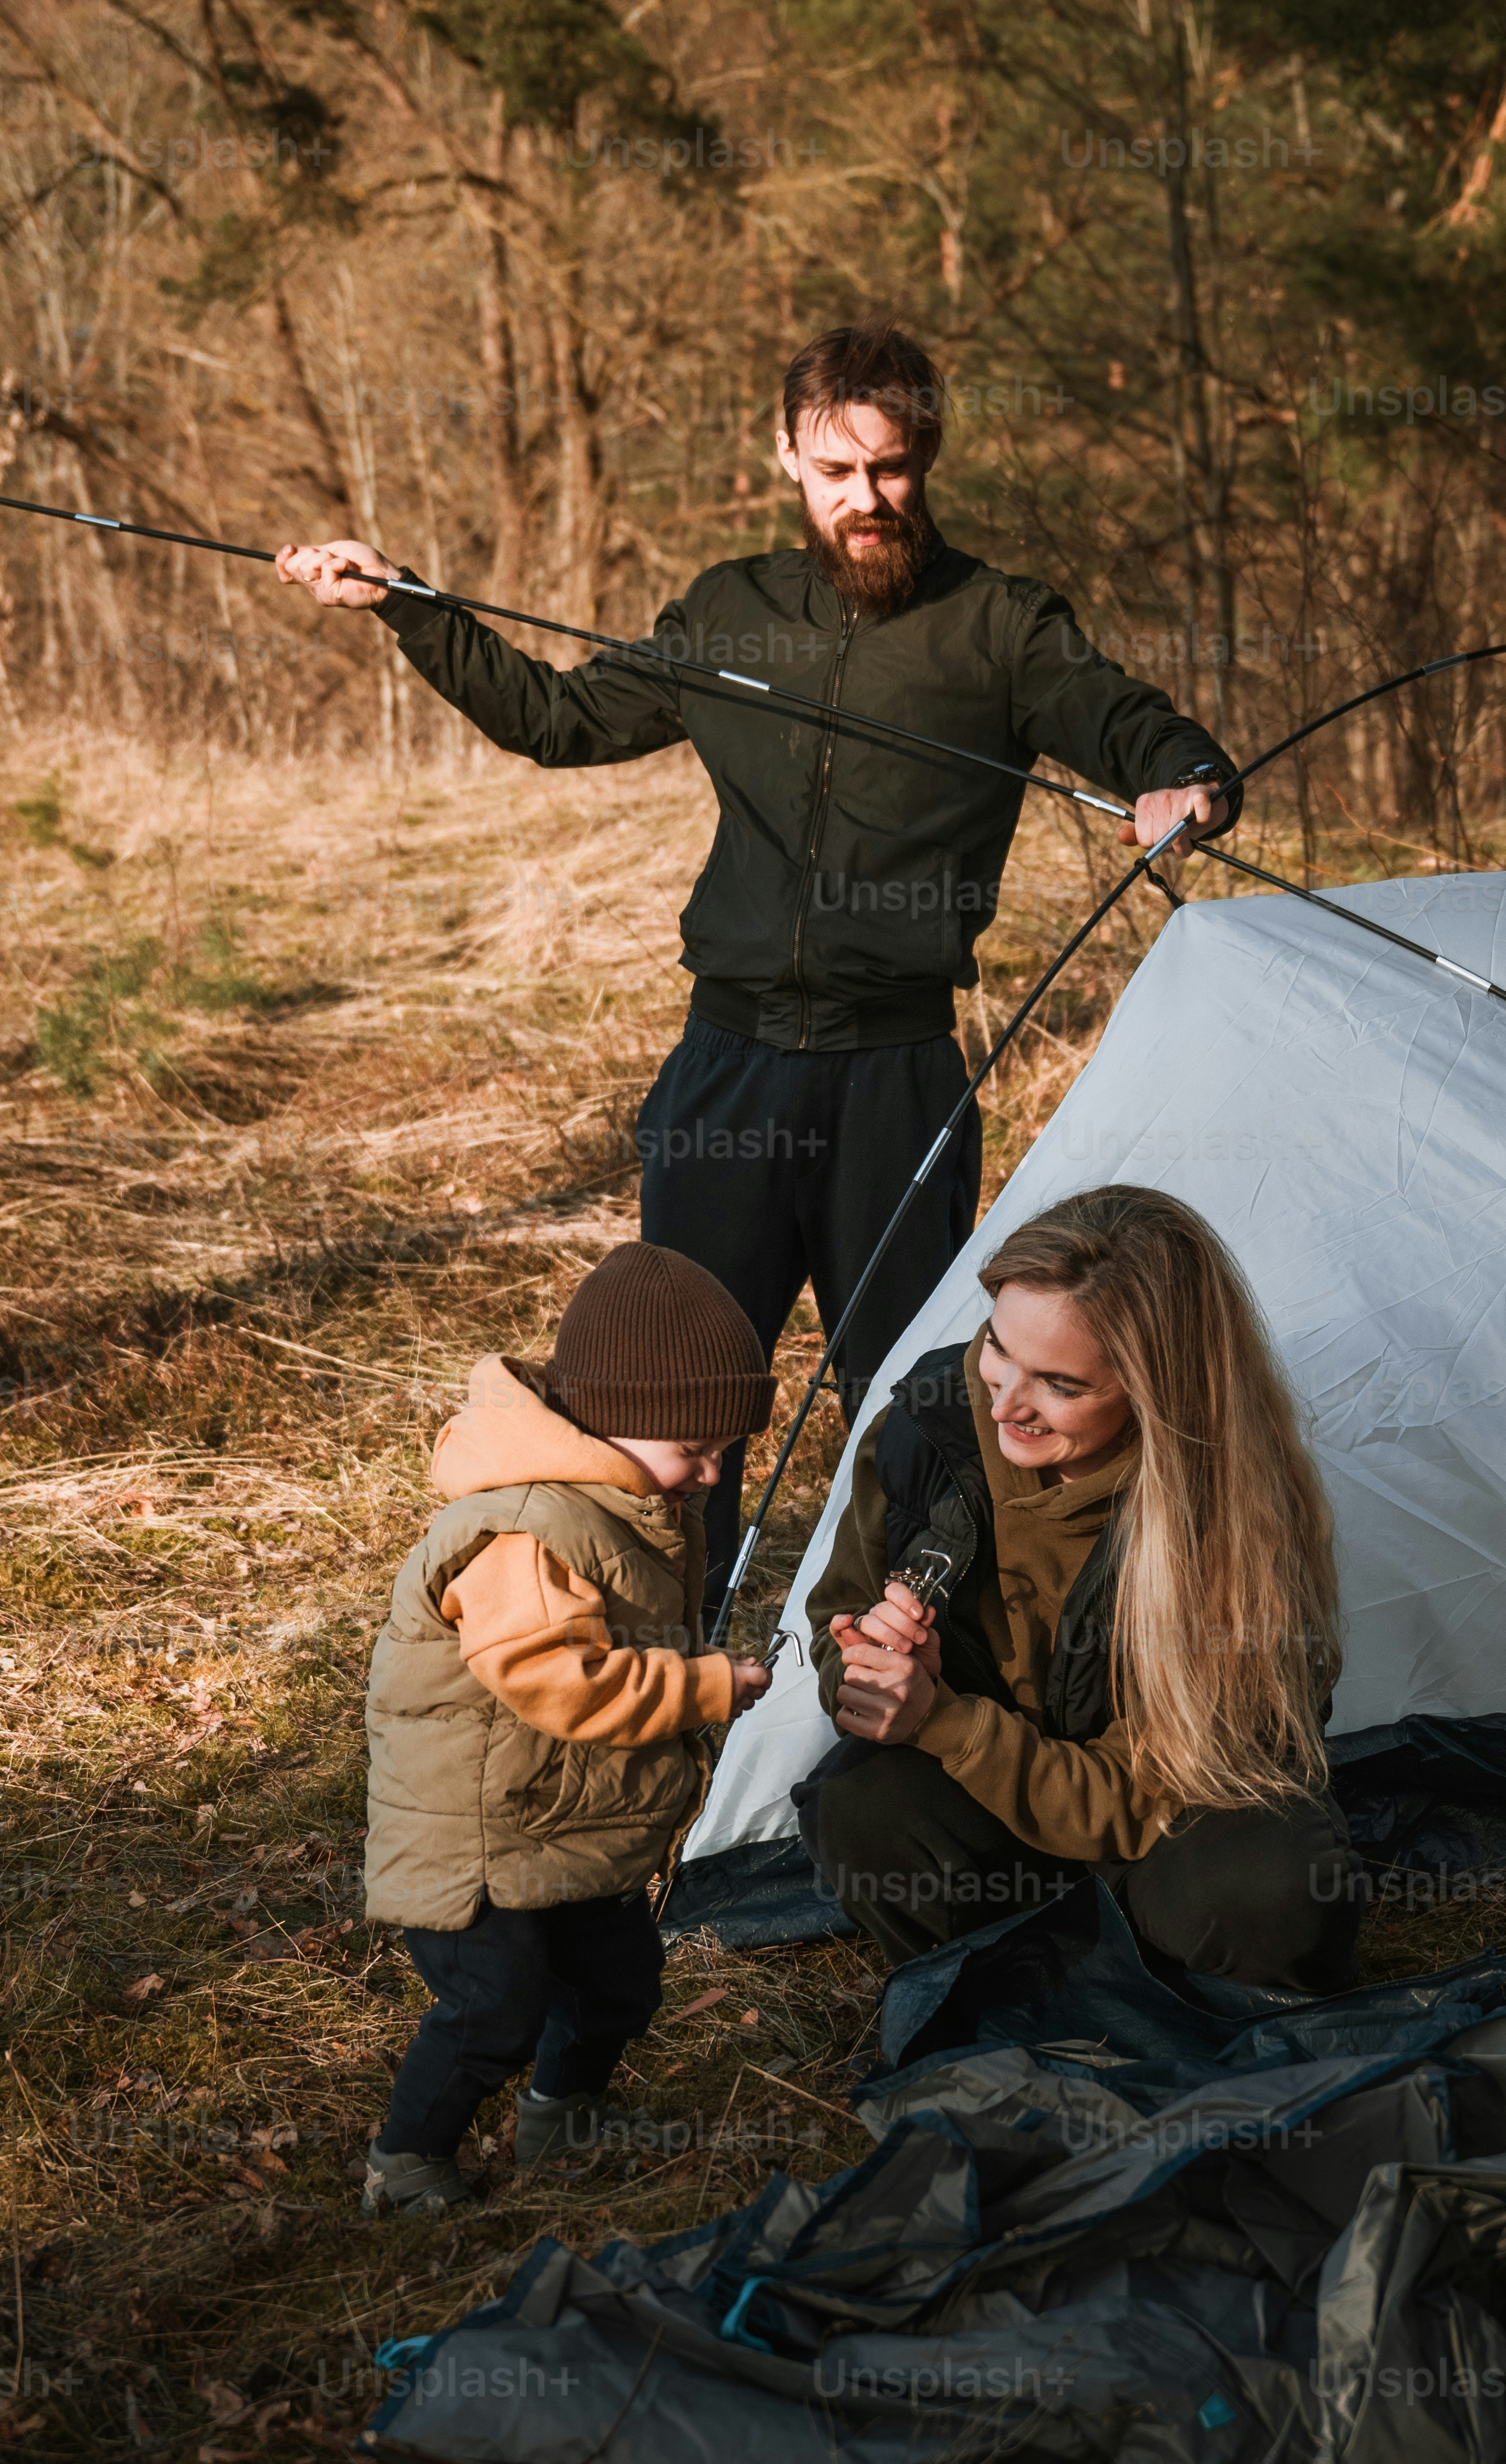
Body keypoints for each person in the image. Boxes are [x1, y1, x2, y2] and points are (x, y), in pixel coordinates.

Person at [276, 321, 1244, 1571]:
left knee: (919, 1401)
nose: (866, 501)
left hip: (895, 1079)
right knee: (674, 1398)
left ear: (926, 458)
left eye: (890, 470)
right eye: (837, 472)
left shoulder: (998, 626)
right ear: (786, 456)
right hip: (726, 1071)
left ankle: (917, 1656)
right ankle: (670, 1670)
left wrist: (1188, 781)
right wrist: (406, 603)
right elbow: (559, 720)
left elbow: (1136, 728)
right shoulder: (729, 610)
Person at [796, 1184, 1357, 1991]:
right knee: (860, 1805)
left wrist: (949, 1724)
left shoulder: (1231, 1519)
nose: (1006, 1402)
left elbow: (1141, 1797)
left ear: (1154, 1391)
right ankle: (1003, 2008)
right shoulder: (930, 1424)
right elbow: (836, 1614)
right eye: (997, 1345)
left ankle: (1206, 2038)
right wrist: (868, 1667)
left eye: (1061, 1384)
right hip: (990, 1807)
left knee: (1273, 1892)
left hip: (1167, 1822)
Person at [355, 1243, 775, 2216]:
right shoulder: (531, 1529)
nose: (712, 1474)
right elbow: (559, 1684)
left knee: (620, 1981)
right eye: (694, 1452)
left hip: (563, 1815)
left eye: (724, 1453)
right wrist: (700, 1688)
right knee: (492, 2009)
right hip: (479, 1832)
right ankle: (407, 2157)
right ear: (614, 1424)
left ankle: (564, 2114)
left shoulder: (631, 1497)